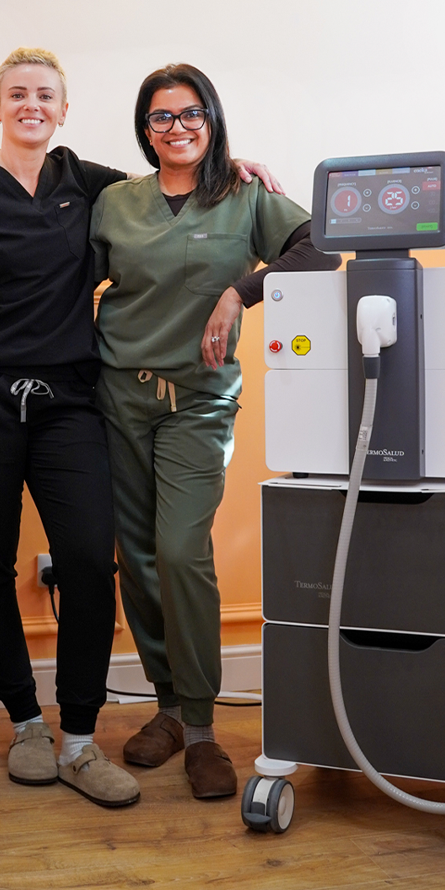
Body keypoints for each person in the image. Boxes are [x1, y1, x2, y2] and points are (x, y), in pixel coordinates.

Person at [0, 47, 276, 808]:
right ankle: (24, 722)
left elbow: (174, 185)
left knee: (87, 559)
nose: (31, 105)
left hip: (71, 404)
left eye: (45, 94)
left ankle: (79, 738)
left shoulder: (88, 183)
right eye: (18, 94)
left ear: (64, 108)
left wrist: (233, 164)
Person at [90, 62, 339, 800]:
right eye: (161, 117)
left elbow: (319, 249)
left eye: (191, 113)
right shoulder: (114, 202)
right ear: (144, 130)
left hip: (199, 401)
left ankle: (200, 728)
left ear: (212, 118)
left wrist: (240, 292)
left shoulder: (244, 194)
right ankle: (165, 710)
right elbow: (64, 274)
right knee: (135, 557)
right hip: (117, 393)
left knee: (180, 551)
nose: (178, 127)